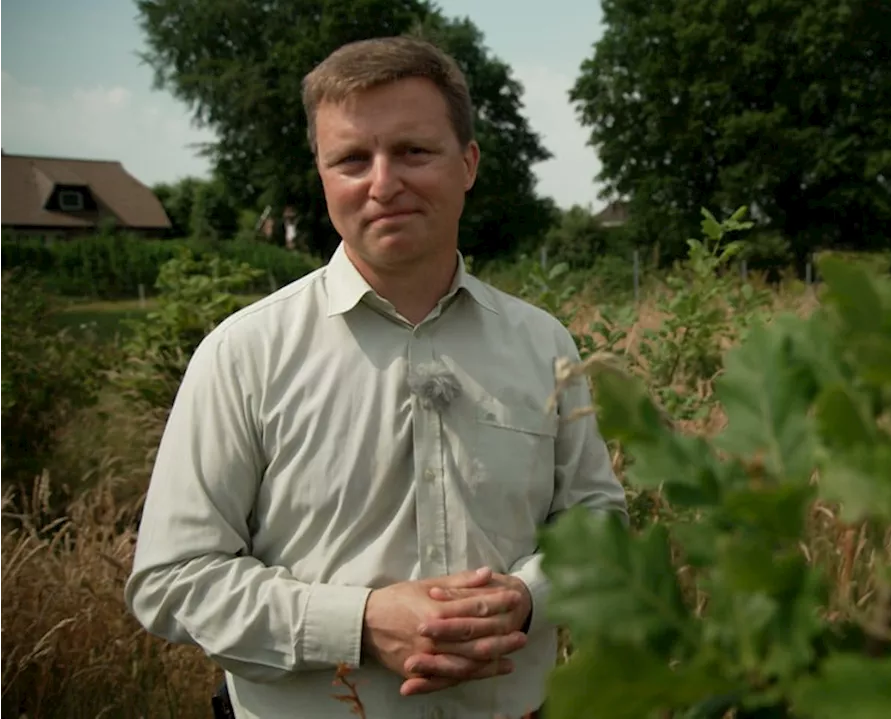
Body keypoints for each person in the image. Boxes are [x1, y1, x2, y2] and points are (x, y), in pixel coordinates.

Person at [124, 34, 629, 719]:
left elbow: (597, 520)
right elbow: (172, 580)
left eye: (414, 151)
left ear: (469, 162)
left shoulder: (544, 344)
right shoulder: (242, 353)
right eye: (353, 159)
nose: (384, 183)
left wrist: (528, 597)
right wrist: (359, 622)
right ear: (323, 176)